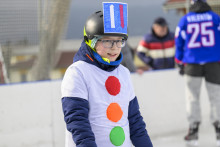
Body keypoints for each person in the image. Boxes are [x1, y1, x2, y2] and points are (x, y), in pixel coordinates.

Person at [61, 2, 153, 147]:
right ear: (91, 41)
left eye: (119, 42)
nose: (115, 48)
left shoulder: (123, 73)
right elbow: (77, 122)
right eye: (108, 41)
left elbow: (134, 120)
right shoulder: (77, 72)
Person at [175, 0, 220, 146]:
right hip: (213, 62)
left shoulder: (185, 19)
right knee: (215, 96)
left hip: (192, 63)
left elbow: (179, 41)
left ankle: (193, 129)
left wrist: (179, 61)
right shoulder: (214, 17)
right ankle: (219, 126)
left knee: (192, 97)